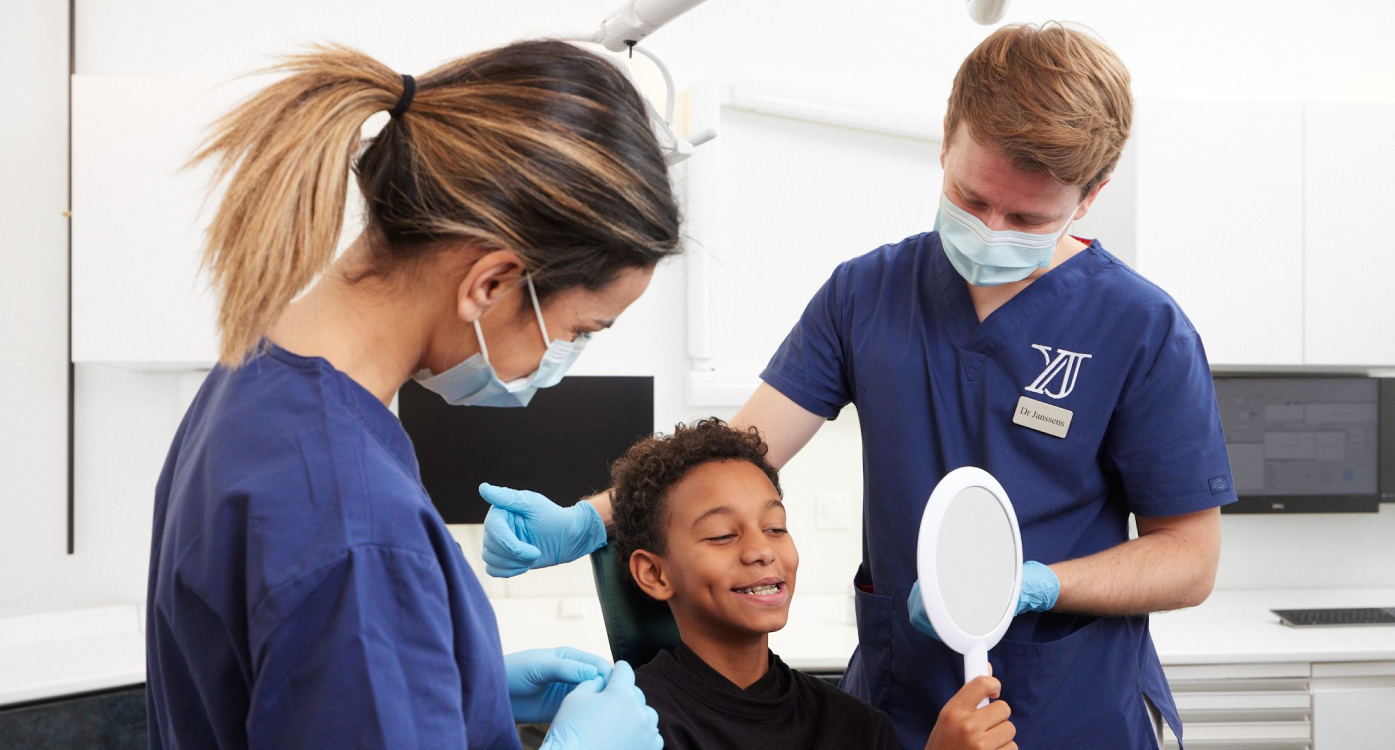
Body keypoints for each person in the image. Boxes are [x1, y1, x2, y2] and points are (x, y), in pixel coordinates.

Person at [480, 22, 1237, 749]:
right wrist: (588, 522)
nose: (992, 230)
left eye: (1026, 217)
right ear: (945, 142)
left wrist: (1031, 585)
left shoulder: (1140, 328)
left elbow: (1187, 560)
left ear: (1092, 193)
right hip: (898, 706)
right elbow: (742, 452)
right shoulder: (868, 293)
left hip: (1067, 707)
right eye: (972, 200)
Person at [145, 40, 680, 750]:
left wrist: (469, 691)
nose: (566, 361)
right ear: (490, 283)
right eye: (580, 330)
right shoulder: (355, 522)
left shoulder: (254, 379)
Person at [606, 418, 1015, 750]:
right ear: (654, 574)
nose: (761, 551)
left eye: (775, 527)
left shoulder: (855, 726)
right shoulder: (627, 726)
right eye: (722, 535)